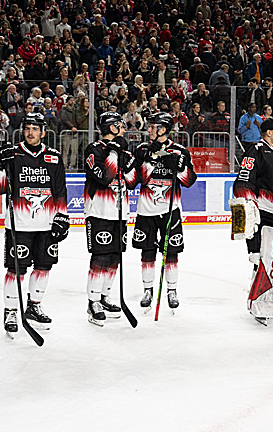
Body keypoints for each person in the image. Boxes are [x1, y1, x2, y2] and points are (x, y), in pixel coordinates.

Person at [0, 111, 70, 335]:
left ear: (43, 132)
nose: (30, 132)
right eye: (27, 128)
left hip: (46, 225)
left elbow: (60, 190)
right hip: (19, 225)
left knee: (44, 266)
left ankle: (34, 305)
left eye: (35, 129)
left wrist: (62, 216)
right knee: (16, 269)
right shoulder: (12, 154)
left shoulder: (53, 156)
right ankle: (11, 310)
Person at [231, 117, 273, 326]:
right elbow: (243, 181)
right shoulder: (256, 151)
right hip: (264, 213)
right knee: (261, 258)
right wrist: (247, 208)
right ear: (268, 132)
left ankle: (271, 294)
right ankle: (257, 299)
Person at [132, 112, 197, 311]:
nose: (148, 129)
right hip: (146, 210)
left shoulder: (179, 150)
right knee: (147, 252)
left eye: (152, 127)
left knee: (171, 253)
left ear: (162, 129)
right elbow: (136, 180)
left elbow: (189, 181)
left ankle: (172, 290)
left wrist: (179, 168)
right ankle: (147, 290)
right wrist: (146, 161)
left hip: (171, 211)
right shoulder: (142, 149)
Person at [81, 111, 138, 326]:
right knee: (100, 256)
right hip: (99, 212)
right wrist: (114, 155)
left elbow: (132, 181)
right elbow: (104, 178)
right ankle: (93, 300)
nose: (124, 128)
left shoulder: (122, 150)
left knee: (115, 257)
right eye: (120, 125)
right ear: (111, 128)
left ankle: (105, 296)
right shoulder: (93, 149)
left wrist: (127, 158)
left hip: (120, 213)